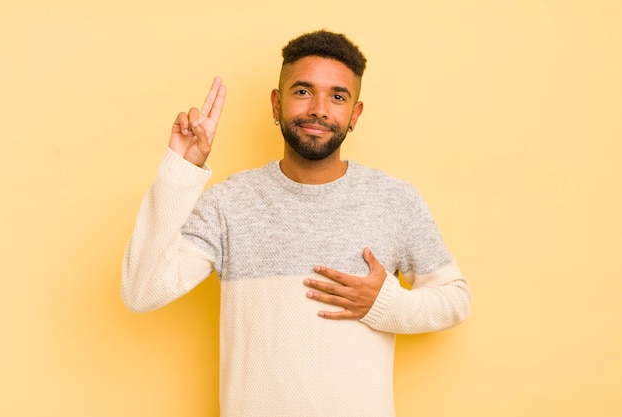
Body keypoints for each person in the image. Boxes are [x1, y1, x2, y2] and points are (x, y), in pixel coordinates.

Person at [122, 30, 471, 417]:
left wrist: (384, 304)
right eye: (303, 92)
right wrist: (181, 170)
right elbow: (142, 292)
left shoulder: (394, 200)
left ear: (354, 114)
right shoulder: (229, 203)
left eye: (337, 96)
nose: (319, 109)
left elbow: (455, 299)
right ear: (276, 103)